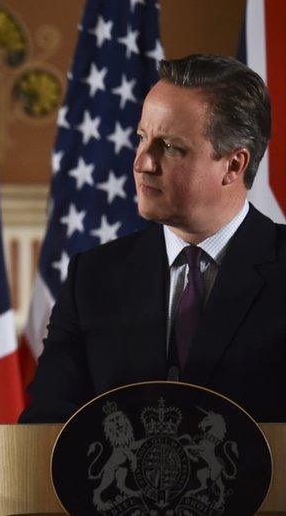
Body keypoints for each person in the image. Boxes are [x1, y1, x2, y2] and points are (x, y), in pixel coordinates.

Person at [21, 54, 286, 423]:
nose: (143, 162)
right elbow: (43, 428)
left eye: (171, 147)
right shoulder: (92, 278)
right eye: (142, 138)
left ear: (234, 165)